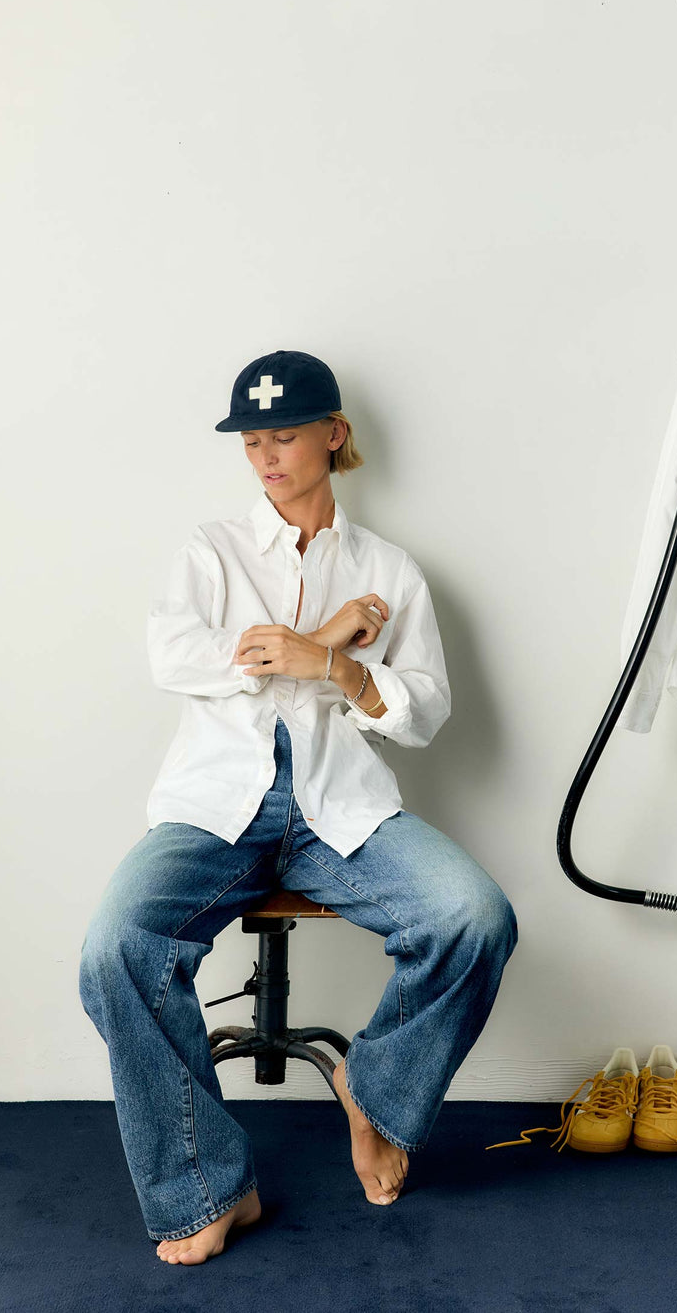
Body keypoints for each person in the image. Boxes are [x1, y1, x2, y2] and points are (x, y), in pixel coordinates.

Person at [78, 348, 518, 1267]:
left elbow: (425, 713)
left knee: (473, 916)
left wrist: (342, 669)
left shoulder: (390, 570)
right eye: (251, 439)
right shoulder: (212, 550)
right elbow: (176, 659)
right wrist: (318, 637)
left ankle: (380, 1094)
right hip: (214, 808)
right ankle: (204, 1188)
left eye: (283, 435)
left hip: (339, 810)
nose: (266, 455)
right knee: (118, 947)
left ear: (334, 434)